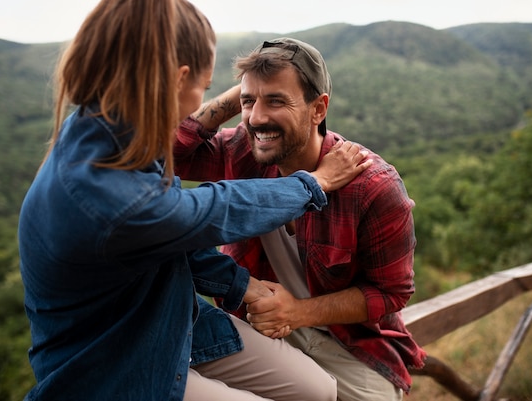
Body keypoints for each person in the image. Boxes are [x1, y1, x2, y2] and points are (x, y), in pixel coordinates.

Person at [17, 0, 371, 400]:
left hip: (172, 317)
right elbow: (209, 211)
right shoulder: (105, 189)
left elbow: (170, 242)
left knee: (319, 390)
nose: (202, 102)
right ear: (180, 78)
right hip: (117, 361)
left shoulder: (111, 132)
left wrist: (241, 286)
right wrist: (314, 184)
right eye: (204, 86)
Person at [173, 37, 427, 400]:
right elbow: (166, 151)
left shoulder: (373, 187)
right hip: (259, 328)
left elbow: (391, 293)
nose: (257, 117)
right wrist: (242, 93)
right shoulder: (244, 150)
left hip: (348, 340)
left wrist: (298, 312)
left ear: (318, 109)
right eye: (249, 102)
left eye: (276, 100)